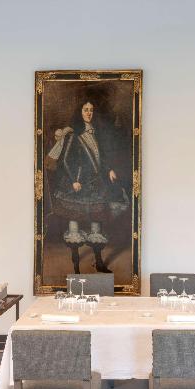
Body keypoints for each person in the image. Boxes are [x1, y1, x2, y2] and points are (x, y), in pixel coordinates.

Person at [49, 101, 120, 272]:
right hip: (77, 185)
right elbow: (65, 160)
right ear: (79, 112)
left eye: (91, 110)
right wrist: (73, 180)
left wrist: (109, 169)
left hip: (94, 185)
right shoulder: (74, 134)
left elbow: (99, 158)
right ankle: (76, 266)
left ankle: (99, 262)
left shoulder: (94, 133)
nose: (89, 113)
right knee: (74, 225)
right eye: (85, 110)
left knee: (96, 223)